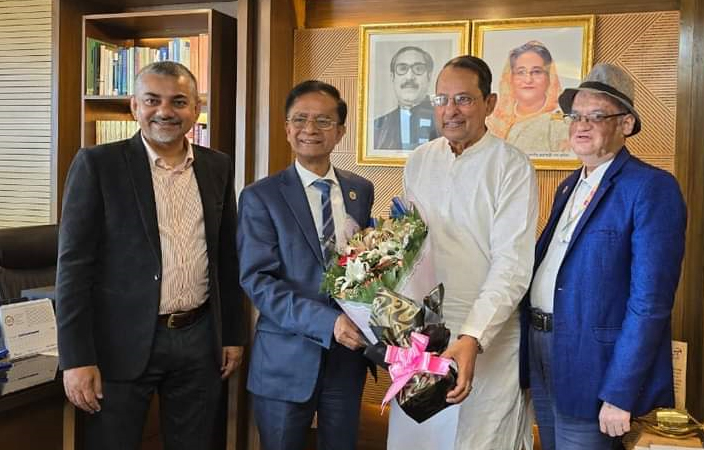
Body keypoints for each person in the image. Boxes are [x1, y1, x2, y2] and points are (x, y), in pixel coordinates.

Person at [56, 61, 246, 449]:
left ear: (196, 108)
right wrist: (76, 358)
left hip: (199, 339)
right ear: (134, 106)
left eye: (179, 101)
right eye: (152, 100)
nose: (165, 111)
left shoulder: (217, 166)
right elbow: (73, 269)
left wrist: (231, 334)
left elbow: (226, 258)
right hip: (119, 343)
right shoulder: (98, 164)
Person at [522, 63, 687, 449]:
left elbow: (650, 303)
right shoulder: (569, 186)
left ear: (626, 124)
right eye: (576, 116)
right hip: (544, 348)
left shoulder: (651, 188)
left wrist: (620, 391)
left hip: (595, 367)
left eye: (596, 116)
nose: (581, 125)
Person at [397, 55, 538, 450]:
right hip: (424, 334)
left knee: (480, 439)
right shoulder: (419, 161)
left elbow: (512, 265)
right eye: (441, 99)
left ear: (489, 103)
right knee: (420, 439)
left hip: (489, 335)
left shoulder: (511, 166)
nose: (450, 110)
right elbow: (410, 249)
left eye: (463, 99)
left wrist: (473, 335)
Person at [237, 80, 375, 450]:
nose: (310, 129)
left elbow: (366, 267)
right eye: (300, 119)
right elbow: (258, 281)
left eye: (323, 121)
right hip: (285, 359)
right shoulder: (260, 197)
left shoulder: (360, 190)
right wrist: (329, 323)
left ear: (340, 132)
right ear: (287, 128)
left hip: (347, 360)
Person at [486, 41, 569, 154]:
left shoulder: (560, 124)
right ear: (510, 78)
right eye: (521, 72)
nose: (528, 80)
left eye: (536, 72)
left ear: (549, 77)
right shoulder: (492, 123)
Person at [373, 45, 439, 150]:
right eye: (402, 69)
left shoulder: (444, 122)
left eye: (418, 69)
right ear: (392, 77)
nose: (409, 77)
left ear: (429, 76)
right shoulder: (377, 127)